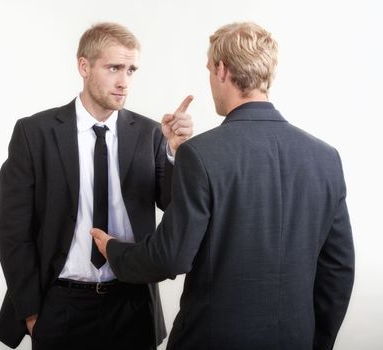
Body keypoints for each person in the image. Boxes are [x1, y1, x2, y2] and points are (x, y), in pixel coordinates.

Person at [92, 22, 355, 350]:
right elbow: (338, 269)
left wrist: (115, 250)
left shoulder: (201, 154)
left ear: (220, 69)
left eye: (208, 69)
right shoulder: (326, 158)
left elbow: (171, 258)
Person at [0, 22, 193, 350]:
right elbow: (13, 231)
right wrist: (31, 313)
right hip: (61, 305)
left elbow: (172, 204)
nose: (123, 82)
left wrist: (175, 152)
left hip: (132, 303)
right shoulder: (35, 133)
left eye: (131, 70)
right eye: (114, 68)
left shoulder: (150, 134)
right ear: (83, 66)